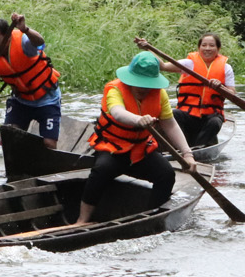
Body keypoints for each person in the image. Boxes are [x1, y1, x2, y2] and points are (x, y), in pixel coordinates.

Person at [72, 52, 195, 227]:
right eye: (138, 83)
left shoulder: (159, 95)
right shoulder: (115, 89)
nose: (142, 88)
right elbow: (117, 112)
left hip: (141, 150)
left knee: (166, 174)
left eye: (147, 84)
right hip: (112, 147)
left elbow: (170, 125)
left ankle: (153, 217)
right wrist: (138, 119)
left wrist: (187, 154)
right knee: (101, 170)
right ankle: (83, 219)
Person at [0, 14, 62, 148]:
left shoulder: (23, 42)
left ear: (7, 37)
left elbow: (39, 42)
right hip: (21, 101)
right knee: (8, 138)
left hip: (47, 99)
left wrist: (25, 29)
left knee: (49, 144)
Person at [142, 32, 234, 147]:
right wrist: (148, 49)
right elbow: (163, 66)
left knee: (215, 122)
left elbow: (232, 93)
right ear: (199, 48)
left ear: (218, 48)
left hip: (211, 115)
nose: (207, 48)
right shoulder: (189, 64)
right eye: (204, 45)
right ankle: (179, 145)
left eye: (212, 45)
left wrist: (221, 87)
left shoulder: (226, 68)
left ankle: (199, 148)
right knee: (174, 114)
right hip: (188, 113)